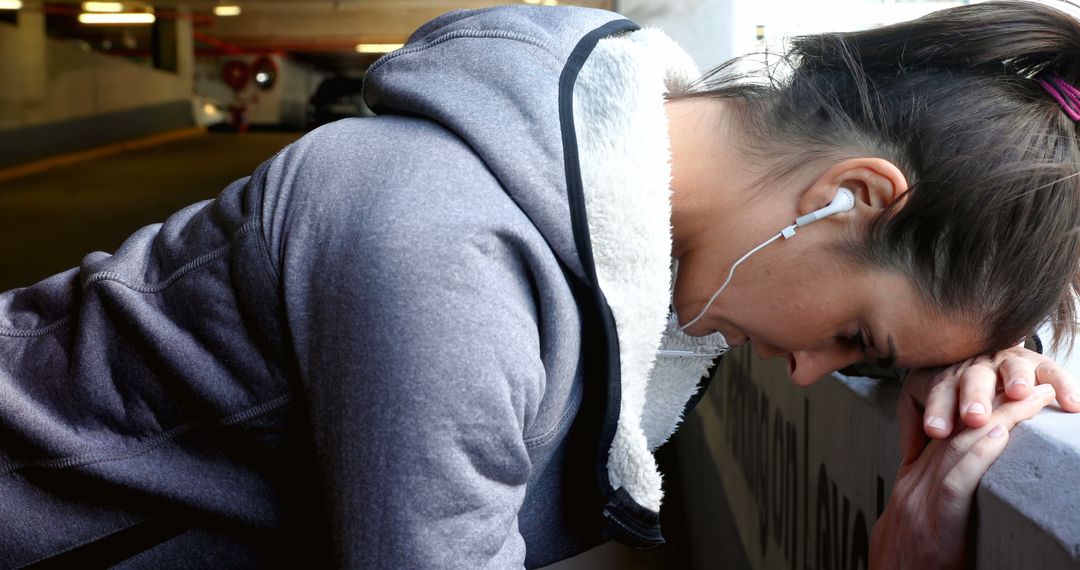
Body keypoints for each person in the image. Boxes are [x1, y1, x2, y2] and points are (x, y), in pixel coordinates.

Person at [0, 1, 1077, 568]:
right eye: (855, 336)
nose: (808, 373)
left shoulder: (588, 204)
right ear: (846, 197)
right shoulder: (446, 255)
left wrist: (971, 361)